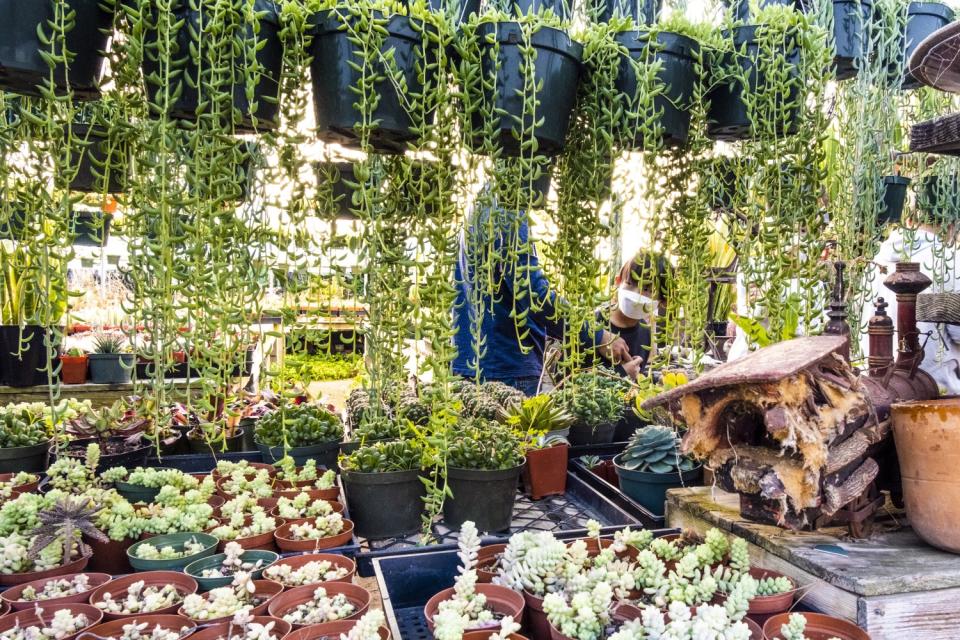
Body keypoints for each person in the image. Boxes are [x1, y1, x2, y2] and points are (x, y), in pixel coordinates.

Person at [452, 179, 631, 396]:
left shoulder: (483, 201)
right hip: (505, 368)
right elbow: (533, 295)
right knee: (516, 430)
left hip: (476, 362)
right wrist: (597, 336)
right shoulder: (508, 206)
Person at [598, 252, 671, 381]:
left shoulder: (645, 333)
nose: (636, 294)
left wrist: (663, 379)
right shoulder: (591, 325)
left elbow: (637, 379)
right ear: (618, 282)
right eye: (630, 283)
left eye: (647, 290)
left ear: (663, 301)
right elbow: (563, 378)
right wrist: (621, 375)